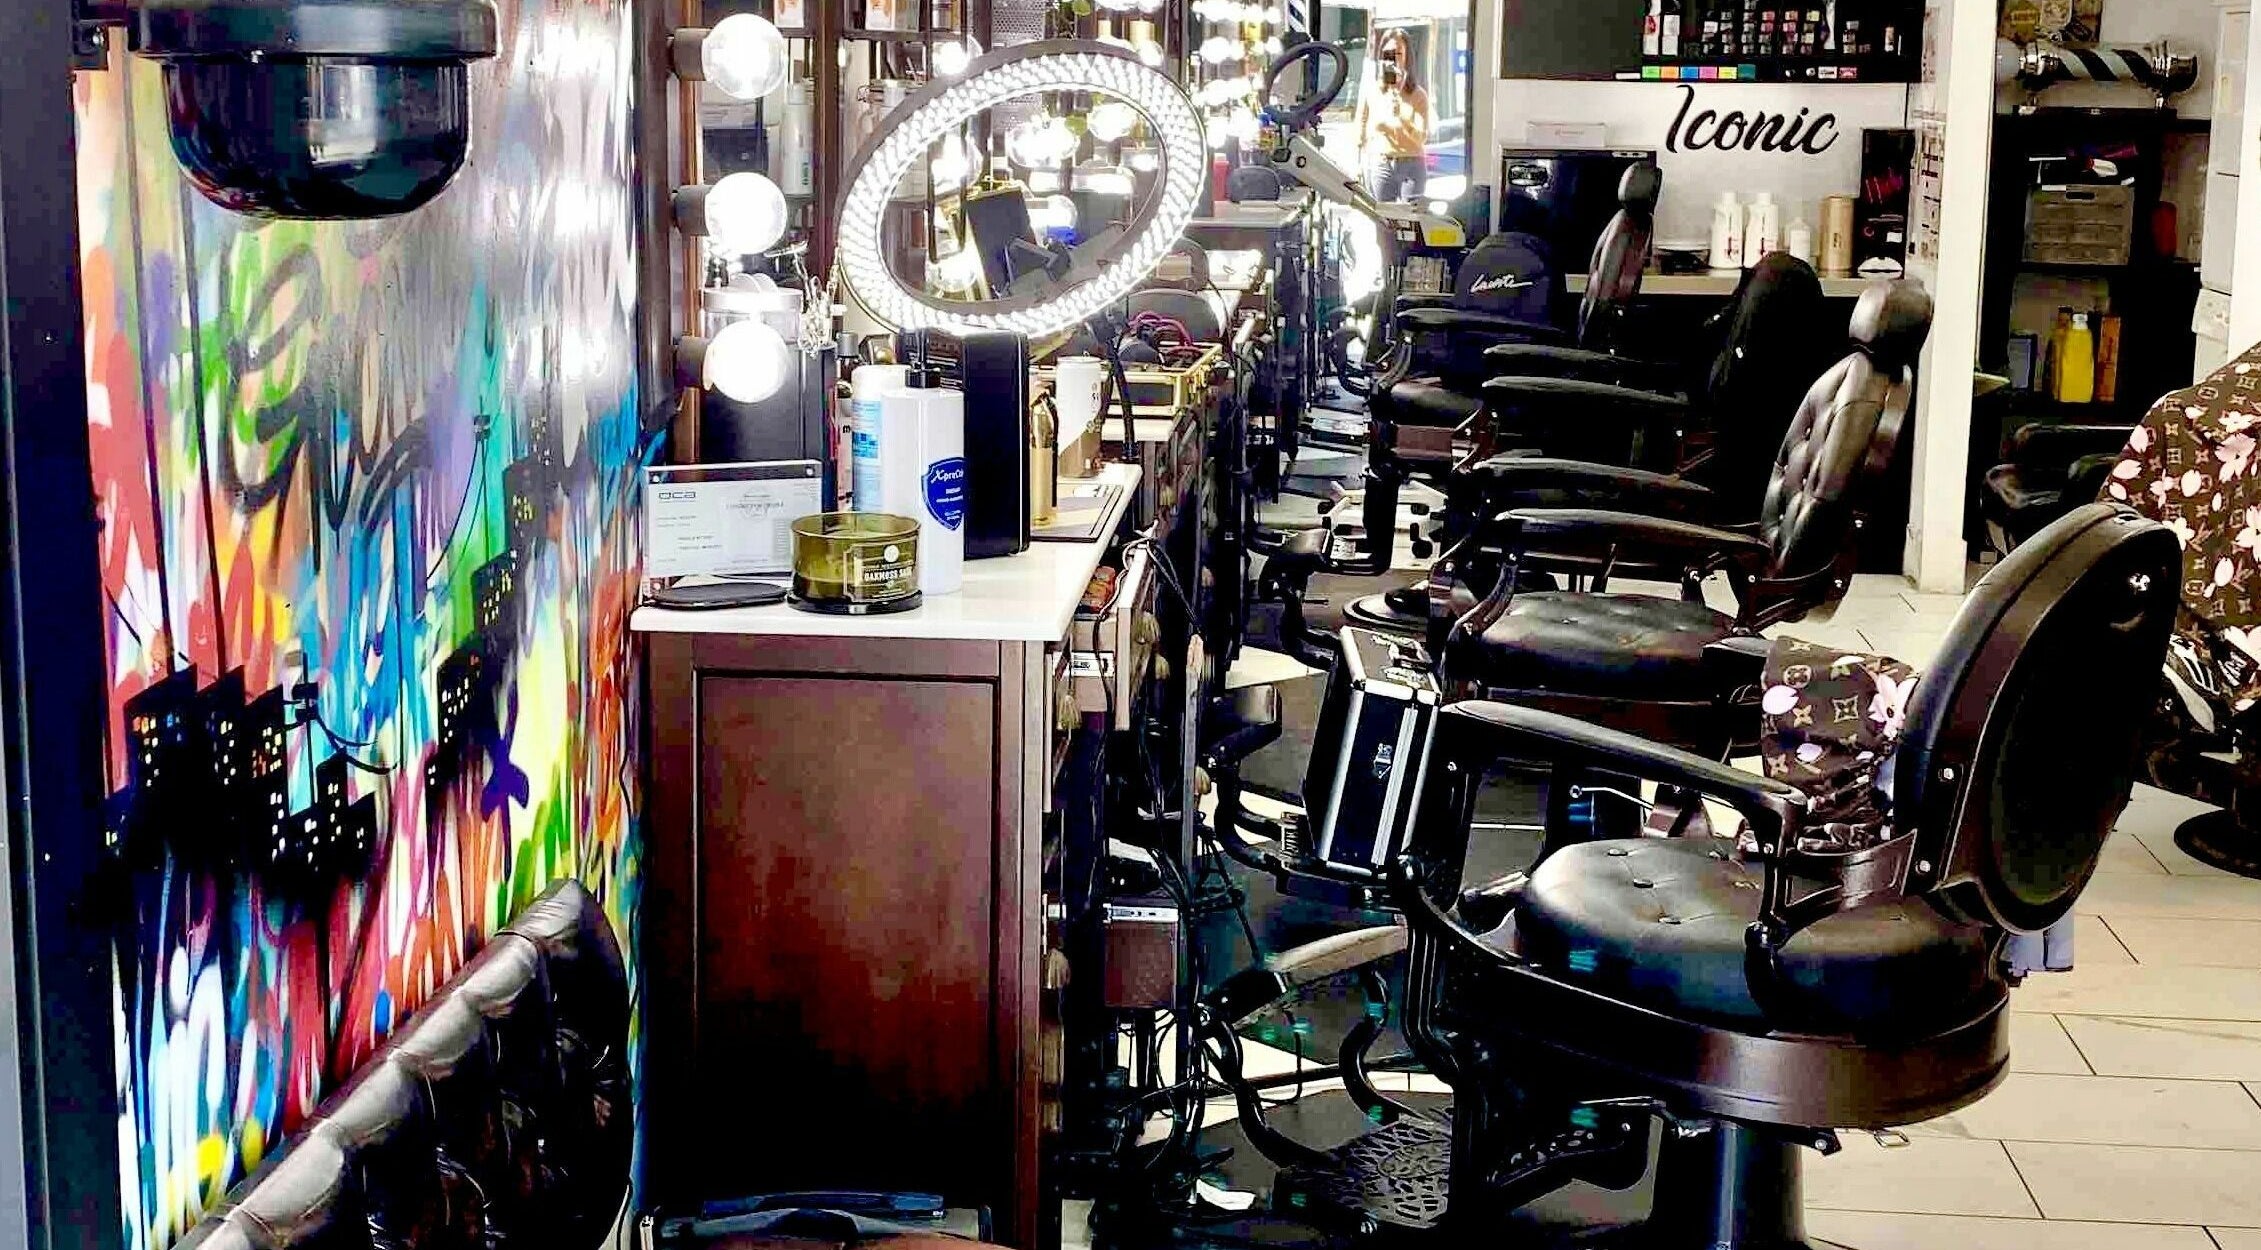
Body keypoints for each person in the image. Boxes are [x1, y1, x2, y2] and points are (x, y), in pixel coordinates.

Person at [1353, 29, 1430, 203]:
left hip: (1411, 164)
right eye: (1389, 54)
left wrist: (1402, 117)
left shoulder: (1418, 95)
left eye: (1399, 53)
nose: (1394, 59)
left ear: (1407, 58)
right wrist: (1358, 162)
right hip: (1380, 162)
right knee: (1383, 221)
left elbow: (1421, 136)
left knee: (1411, 221)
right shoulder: (1372, 91)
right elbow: (1361, 124)